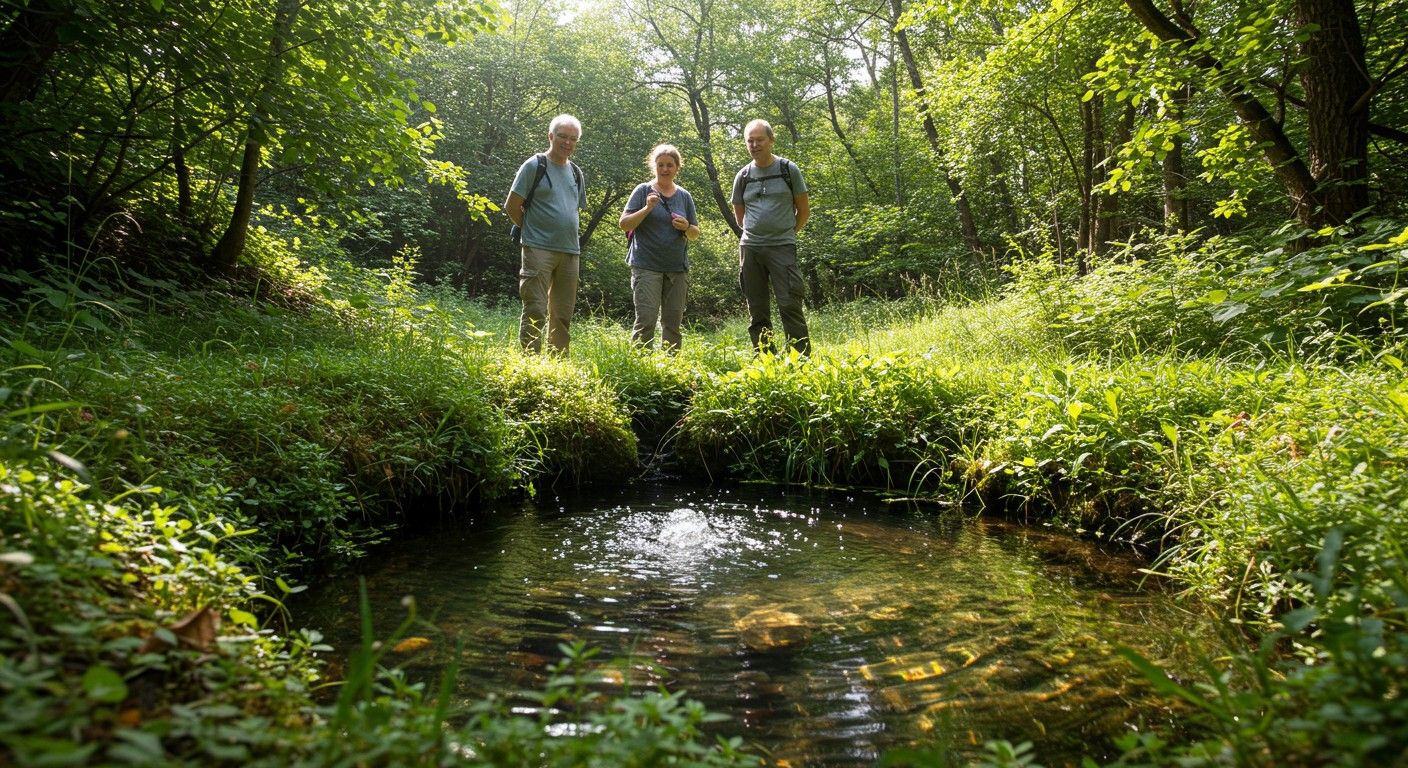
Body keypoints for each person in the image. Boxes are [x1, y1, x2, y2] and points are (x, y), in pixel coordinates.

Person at [504, 114, 586, 355]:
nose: (567, 142)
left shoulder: (576, 172)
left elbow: (572, 210)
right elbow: (512, 206)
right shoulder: (534, 165)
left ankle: (558, 362)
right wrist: (532, 231)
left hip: (570, 251)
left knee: (562, 313)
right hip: (538, 248)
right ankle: (530, 360)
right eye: (562, 136)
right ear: (551, 136)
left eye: (573, 139)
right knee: (535, 308)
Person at [731, 119, 811, 355]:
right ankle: (765, 357)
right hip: (751, 248)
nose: (755, 145)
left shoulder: (788, 170)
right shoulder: (743, 176)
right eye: (750, 141)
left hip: (782, 247)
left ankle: (800, 358)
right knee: (757, 308)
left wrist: (787, 233)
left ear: (771, 140)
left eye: (759, 140)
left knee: (789, 304)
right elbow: (740, 216)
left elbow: (803, 211)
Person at [617, 144, 700, 351]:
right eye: (660, 165)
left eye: (669, 165)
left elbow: (694, 233)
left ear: (677, 167)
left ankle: (671, 365)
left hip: (677, 268)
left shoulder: (684, 196)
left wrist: (686, 226)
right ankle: (640, 364)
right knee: (646, 321)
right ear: (653, 166)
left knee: (673, 324)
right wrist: (647, 208)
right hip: (646, 265)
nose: (665, 169)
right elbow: (624, 224)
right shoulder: (643, 190)